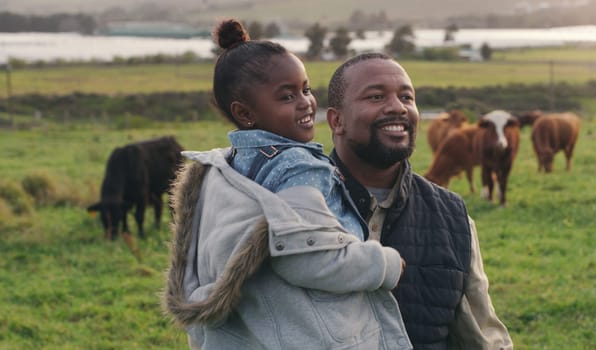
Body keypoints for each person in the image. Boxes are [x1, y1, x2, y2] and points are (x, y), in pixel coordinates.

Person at [163, 20, 412, 349]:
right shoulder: (298, 168)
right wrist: (385, 264)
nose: (306, 103)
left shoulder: (224, 168)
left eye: (306, 89)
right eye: (287, 96)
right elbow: (308, 258)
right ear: (245, 113)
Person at [326, 52, 514, 349]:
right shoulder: (297, 207)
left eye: (407, 97)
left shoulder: (453, 218)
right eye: (376, 97)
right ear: (337, 120)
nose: (398, 108)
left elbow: (482, 335)